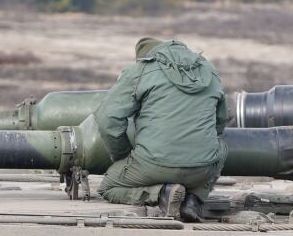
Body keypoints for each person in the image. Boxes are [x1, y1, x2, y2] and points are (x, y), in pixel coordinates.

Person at [95, 37, 228, 222]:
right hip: (202, 169)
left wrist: (122, 156)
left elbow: (107, 118)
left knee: (107, 187)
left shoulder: (141, 71)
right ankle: (193, 199)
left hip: (152, 164)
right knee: (221, 147)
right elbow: (221, 121)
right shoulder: (209, 71)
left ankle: (162, 194)